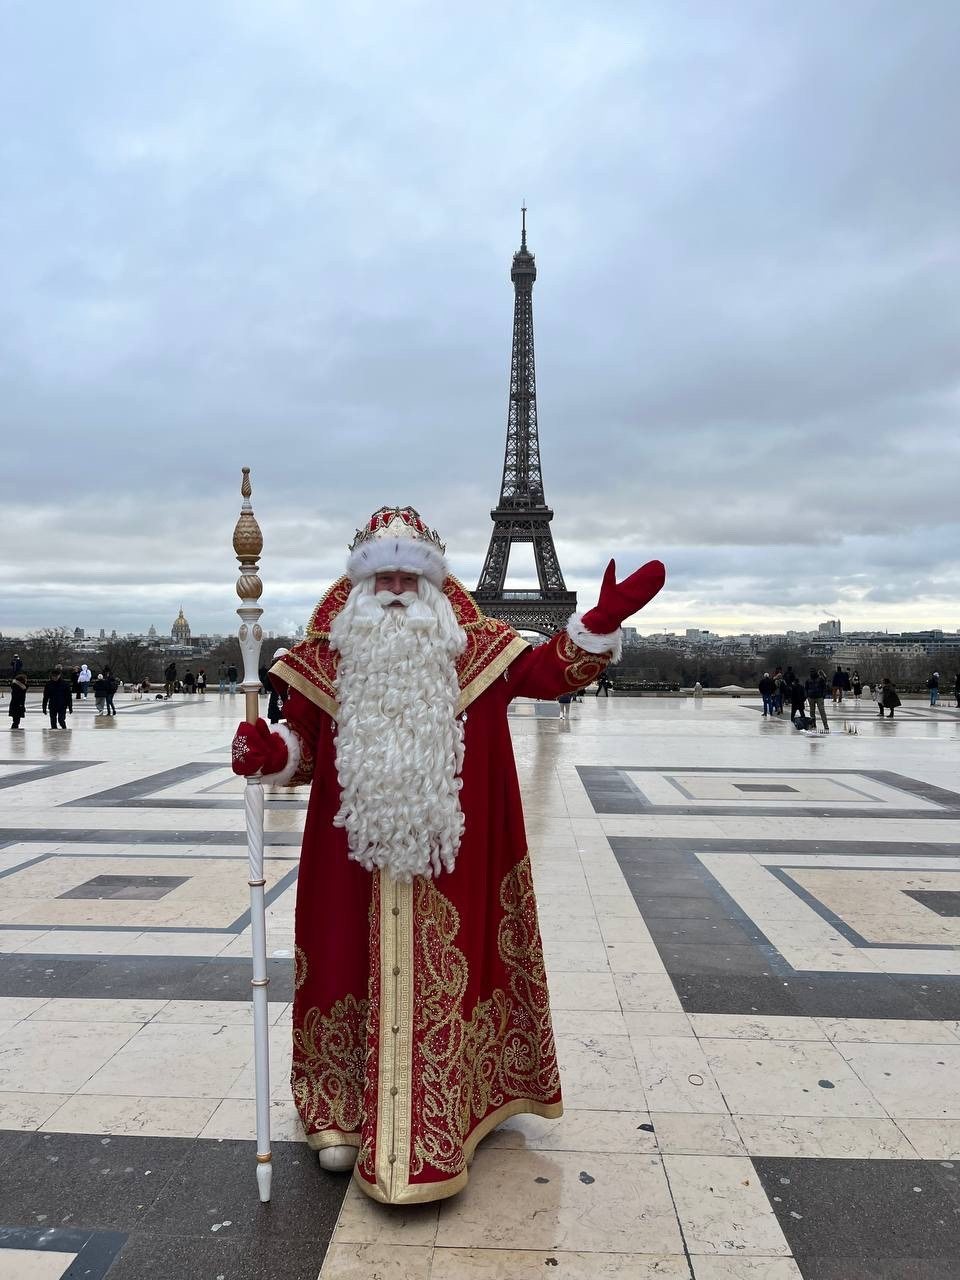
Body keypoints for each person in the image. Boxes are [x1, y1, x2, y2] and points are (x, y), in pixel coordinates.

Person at [231, 505, 665, 1204]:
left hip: (452, 863)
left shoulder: (484, 650)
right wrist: (269, 753)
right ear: (362, 582)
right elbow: (303, 744)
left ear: (435, 581)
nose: (397, 585)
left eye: (410, 572)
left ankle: (452, 1115)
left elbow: (551, 672)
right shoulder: (325, 658)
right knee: (346, 962)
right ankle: (341, 1111)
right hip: (353, 864)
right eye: (384, 573)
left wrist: (599, 623)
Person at [266, 649, 288, 724]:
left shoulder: (271, 670)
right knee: (290, 718)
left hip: (275, 696)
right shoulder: (289, 668)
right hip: (287, 696)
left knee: (274, 720)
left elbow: (267, 686)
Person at [805, 668, 829, 733]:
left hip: (819, 697)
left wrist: (823, 695)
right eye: (811, 672)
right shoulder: (808, 679)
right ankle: (813, 724)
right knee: (812, 712)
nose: (812, 673)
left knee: (821, 711)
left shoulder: (820, 679)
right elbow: (806, 688)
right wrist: (807, 695)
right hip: (811, 697)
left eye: (813, 672)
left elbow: (824, 687)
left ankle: (825, 725)